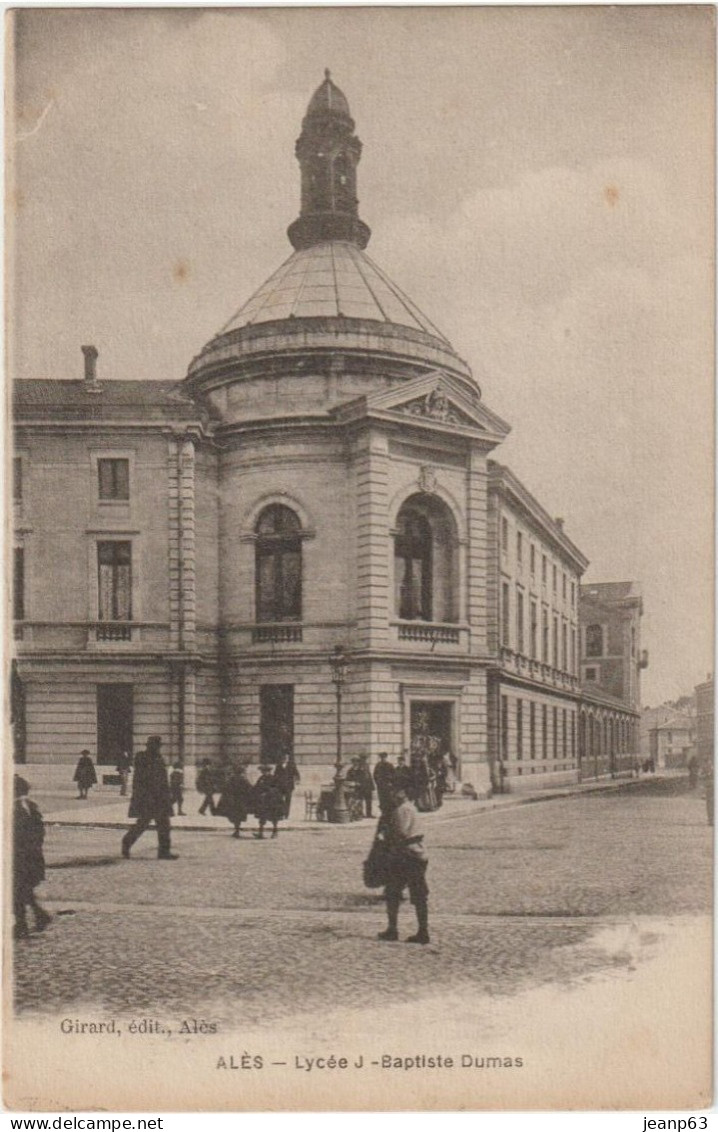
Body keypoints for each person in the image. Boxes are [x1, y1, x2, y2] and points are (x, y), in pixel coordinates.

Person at [378, 786, 430, 945]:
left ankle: (392, 930)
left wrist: (385, 835)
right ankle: (423, 931)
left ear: (404, 792)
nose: (393, 794)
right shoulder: (411, 808)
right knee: (419, 894)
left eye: (396, 791)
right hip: (418, 854)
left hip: (406, 856)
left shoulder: (402, 810)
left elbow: (400, 833)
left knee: (392, 892)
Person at [121, 735, 178, 860]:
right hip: (148, 798)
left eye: (158, 746)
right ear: (150, 746)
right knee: (142, 824)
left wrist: (168, 795)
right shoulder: (142, 758)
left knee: (164, 825)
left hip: (160, 798)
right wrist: (142, 797)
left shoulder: (158, 758)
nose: (157, 748)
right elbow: (140, 780)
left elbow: (163, 779)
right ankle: (126, 842)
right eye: (156, 746)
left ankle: (164, 852)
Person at [13, 775, 51, 940]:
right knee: (23, 891)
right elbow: (40, 833)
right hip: (31, 859)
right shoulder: (30, 807)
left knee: (17, 892)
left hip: (22, 859)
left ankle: (22, 925)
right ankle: (39, 916)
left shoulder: (17, 810)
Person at [216, 763, 254, 838]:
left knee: (234, 815)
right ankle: (237, 830)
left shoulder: (231, 779)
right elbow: (249, 789)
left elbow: (226, 789)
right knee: (239, 815)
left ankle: (237, 830)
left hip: (233, 800)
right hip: (241, 800)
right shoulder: (244, 779)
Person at [252, 764, 284, 839]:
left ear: (269, 771)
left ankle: (275, 832)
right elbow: (256, 787)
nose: (263, 773)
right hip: (263, 801)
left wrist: (267, 792)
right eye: (262, 771)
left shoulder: (274, 778)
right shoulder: (261, 778)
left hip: (272, 801)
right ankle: (260, 833)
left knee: (274, 817)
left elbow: (277, 789)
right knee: (261, 817)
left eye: (265, 771)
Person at [274, 754, 301, 820]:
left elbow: (296, 773)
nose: (285, 759)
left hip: (289, 786)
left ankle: (286, 814)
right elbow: (275, 775)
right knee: (280, 800)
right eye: (283, 758)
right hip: (280, 786)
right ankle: (281, 814)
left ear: (288, 758)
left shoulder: (292, 765)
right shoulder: (278, 765)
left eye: (286, 758)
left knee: (288, 800)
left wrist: (297, 780)